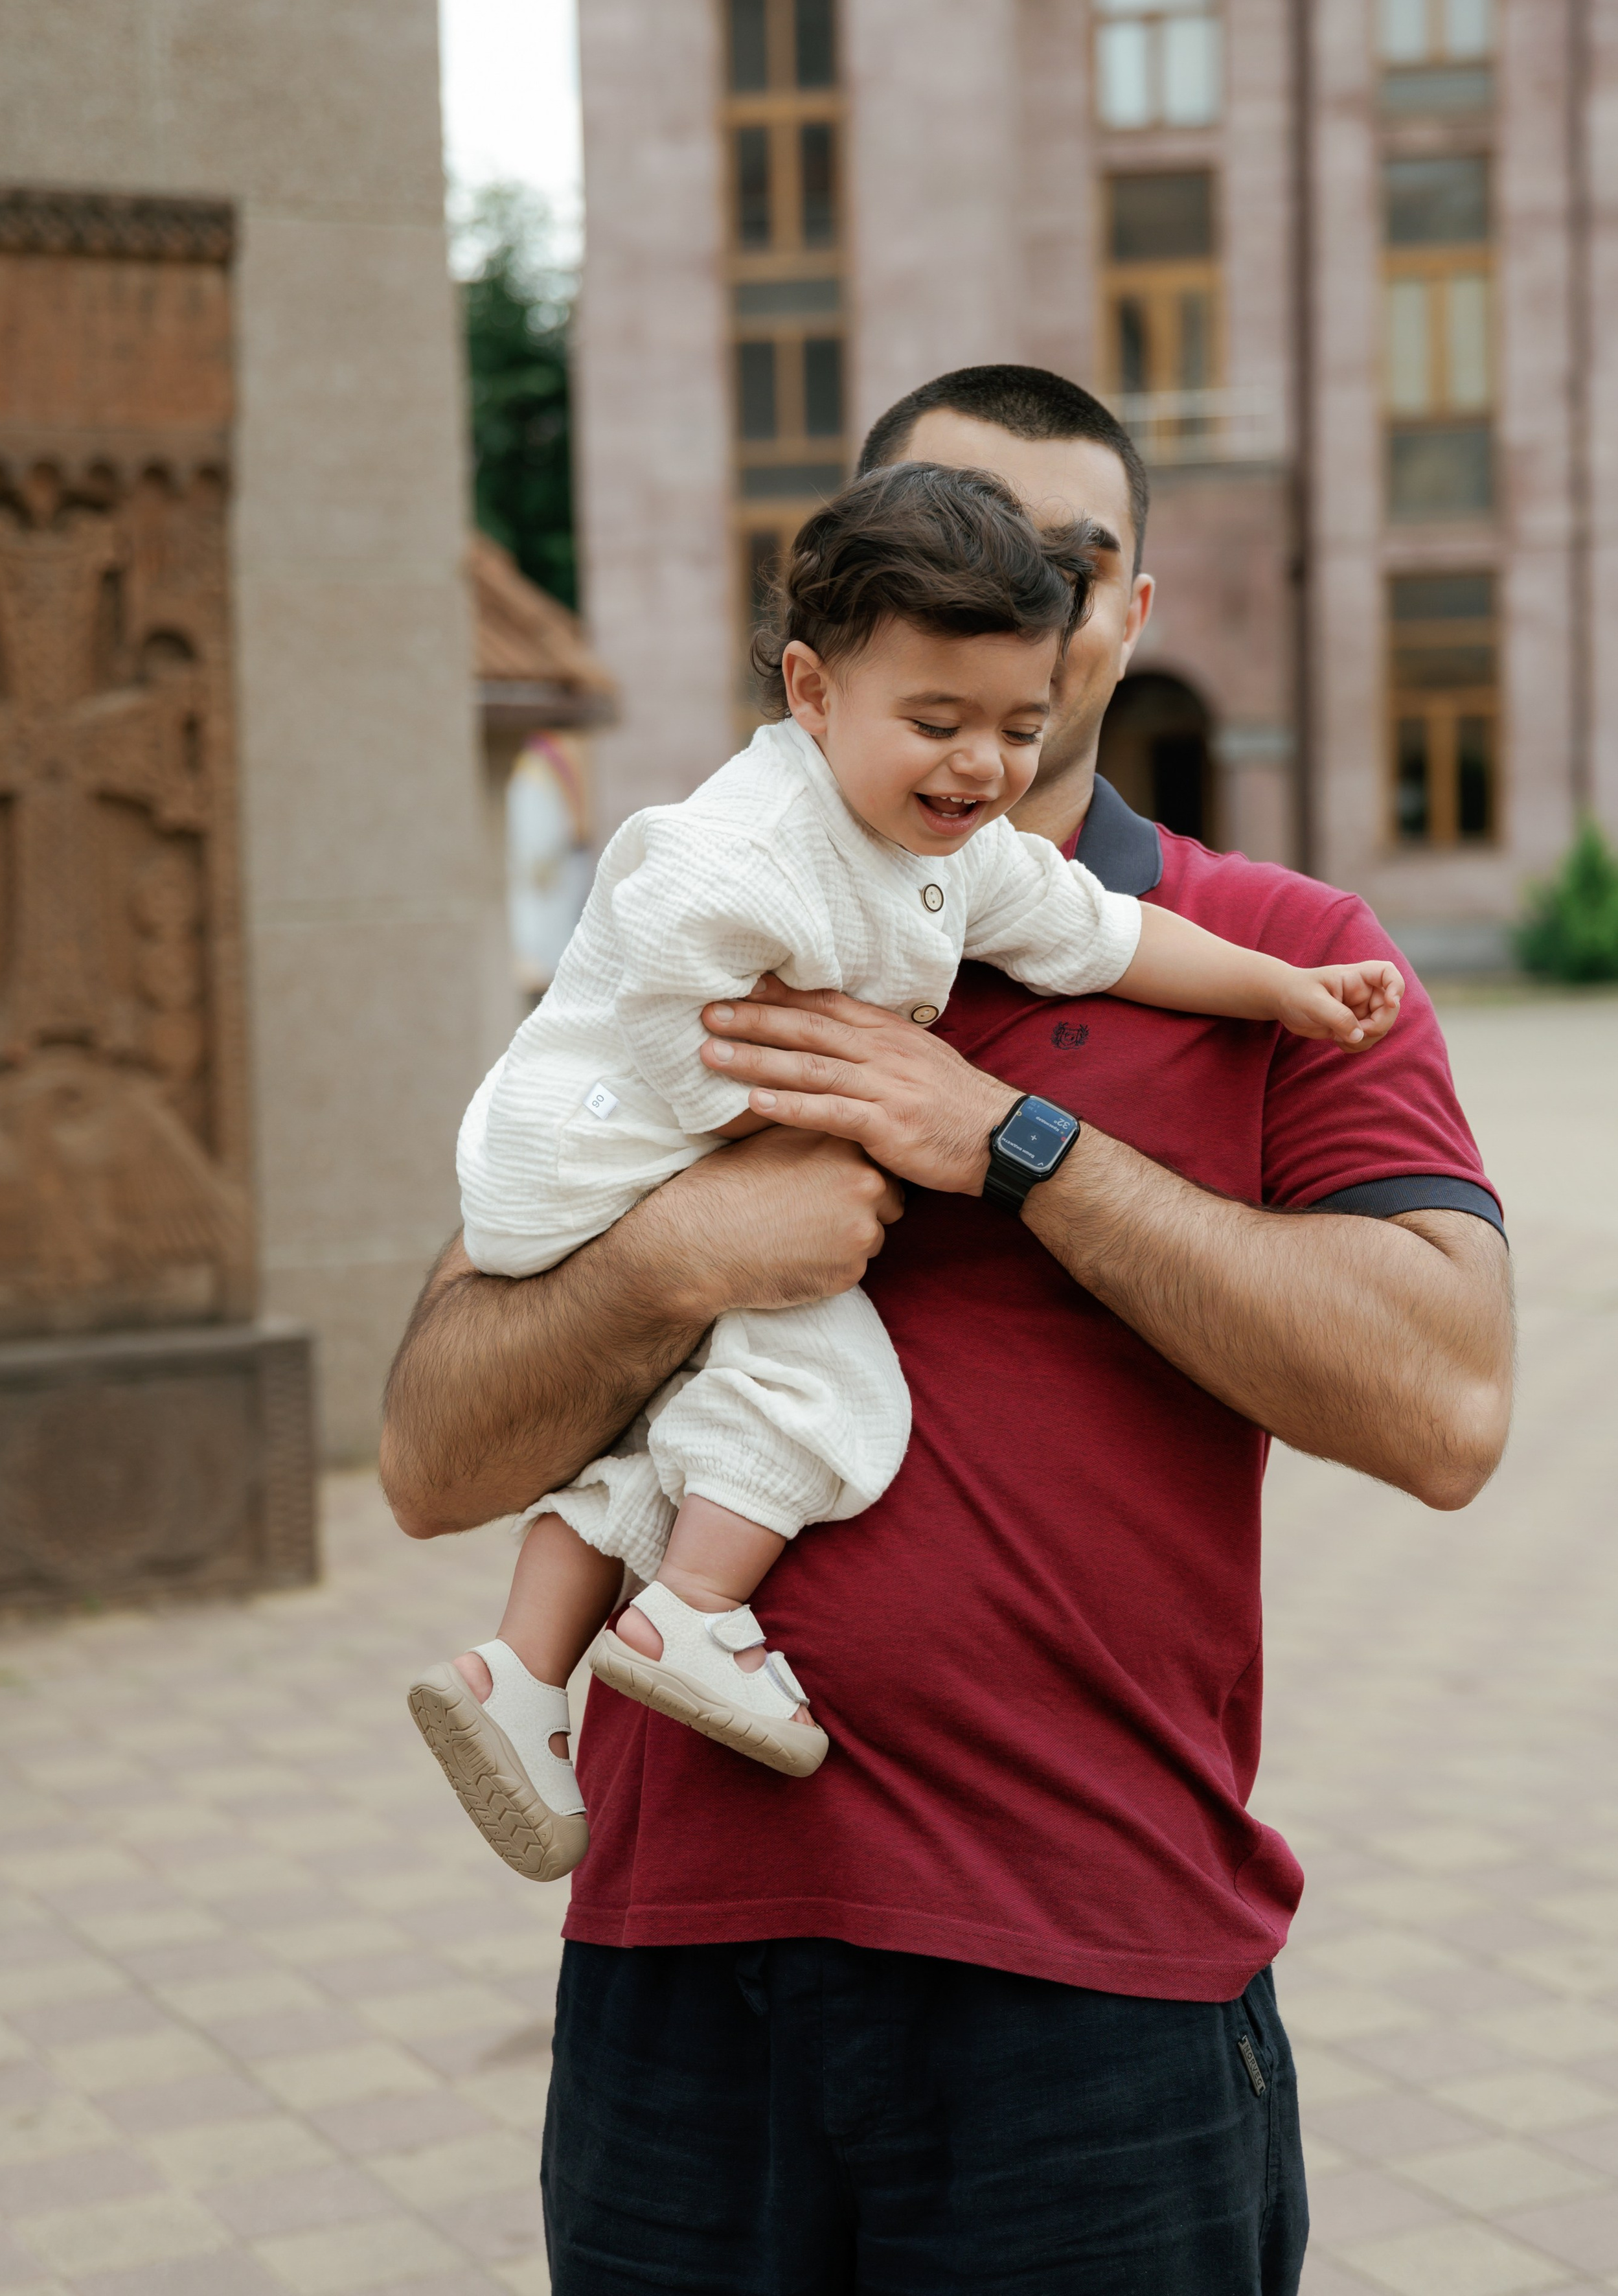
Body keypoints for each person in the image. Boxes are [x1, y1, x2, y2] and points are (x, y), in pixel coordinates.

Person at [381, 367, 1512, 2295]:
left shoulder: (1279, 950)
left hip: (1092, 1985)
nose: (1004, 586)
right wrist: (678, 1253)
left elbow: (1445, 1402)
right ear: (832, 640)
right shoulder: (727, 914)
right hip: (672, 1979)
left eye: (1060, 563)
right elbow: (429, 1453)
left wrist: (1019, 1147)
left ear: (1119, 618)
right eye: (949, 534)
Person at [409, 464, 1403, 1883]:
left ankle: (518, 1670)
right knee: (821, 1387)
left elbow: (1099, 930)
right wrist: (832, 1137)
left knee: (648, 1431)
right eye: (934, 723)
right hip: (601, 1155)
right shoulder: (735, 854)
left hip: (635, 1160)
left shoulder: (938, 843)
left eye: (1017, 726)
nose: (979, 767)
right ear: (810, 694)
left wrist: (1280, 990)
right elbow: (676, 1029)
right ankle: (690, 1610)